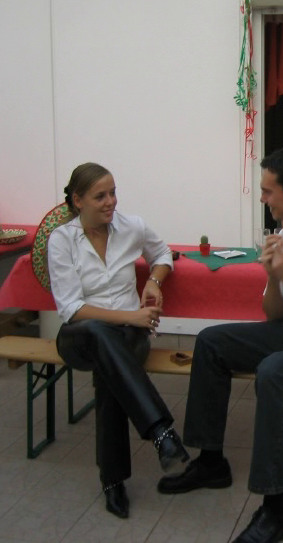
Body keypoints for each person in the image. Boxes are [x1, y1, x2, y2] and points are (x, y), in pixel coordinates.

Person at [157, 147, 283, 543]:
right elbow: (273, 315)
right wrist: (272, 277)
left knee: (274, 373)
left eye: (268, 191)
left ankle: (275, 510)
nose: (263, 199)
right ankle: (211, 462)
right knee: (211, 342)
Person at [48, 162, 188, 520]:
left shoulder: (131, 226)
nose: (111, 201)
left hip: (127, 337)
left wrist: (154, 281)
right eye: (100, 196)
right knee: (99, 335)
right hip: (81, 336)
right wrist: (131, 317)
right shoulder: (62, 240)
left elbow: (163, 254)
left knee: (110, 373)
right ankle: (161, 431)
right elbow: (72, 309)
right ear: (78, 200)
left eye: (113, 193)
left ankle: (113, 481)